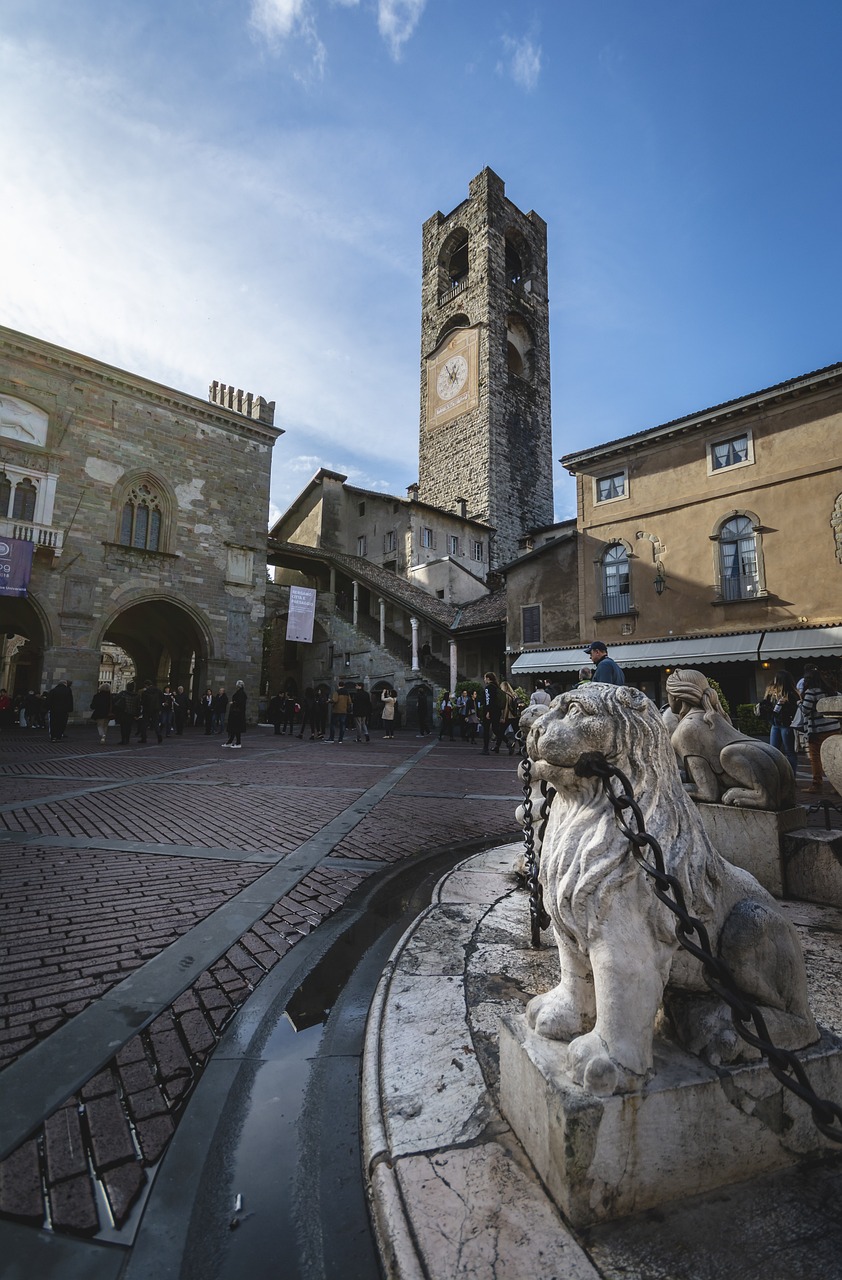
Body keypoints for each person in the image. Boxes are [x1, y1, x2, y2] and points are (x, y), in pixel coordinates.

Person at [801, 667, 840, 793]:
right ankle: (837, 784)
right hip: (834, 727)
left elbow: (805, 710)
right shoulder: (831, 691)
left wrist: (799, 703)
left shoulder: (811, 692)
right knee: (834, 757)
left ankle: (816, 784)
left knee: (816, 758)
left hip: (818, 730)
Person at [759, 670, 799, 776]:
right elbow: (766, 706)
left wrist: (785, 705)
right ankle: (781, 776)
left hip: (786, 725)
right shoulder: (773, 693)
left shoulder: (790, 694)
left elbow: (795, 710)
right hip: (777, 724)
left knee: (787, 751)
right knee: (774, 751)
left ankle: (790, 776)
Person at [480, 672, 503, 755]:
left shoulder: (488, 688)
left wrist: (488, 711)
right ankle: (507, 742)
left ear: (488, 679)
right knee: (496, 729)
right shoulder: (497, 687)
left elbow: (488, 700)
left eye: (485, 678)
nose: (484, 680)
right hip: (497, 711)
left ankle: (485, 748)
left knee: (486, 730)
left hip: (489, 711)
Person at [497, 680, 520, 755]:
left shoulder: (505, 695)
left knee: (500, 731)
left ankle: (499, 746)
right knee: (517, 733)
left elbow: (506, 708)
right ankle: (521, 748)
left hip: (509, 716)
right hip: (515, 716)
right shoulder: (514, 694)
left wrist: (503, 717)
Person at [224, 680, 247, 748]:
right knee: (234, 728)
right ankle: (230, 741)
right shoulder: (241, 693)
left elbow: (240, 703)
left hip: (237, 714)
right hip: (236, 713)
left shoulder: (241, 694)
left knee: (236, 728)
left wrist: (233, 703)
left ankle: (238, 742)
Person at [139, 680, 163, 744]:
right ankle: (159, 735)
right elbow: (162, 699)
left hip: (147, 710)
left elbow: (142, 702)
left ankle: (144, 738)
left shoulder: (145, 692)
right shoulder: (158, 691)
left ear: (146, 685)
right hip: (156, 710)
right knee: (156, 724)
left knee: (144, 724)